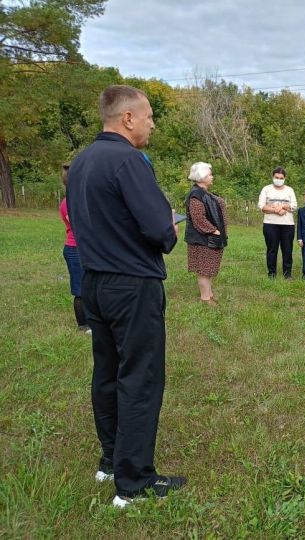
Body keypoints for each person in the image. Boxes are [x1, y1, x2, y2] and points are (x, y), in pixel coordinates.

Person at [66, 85, 185, 508]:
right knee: (139, 377)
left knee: (108, 372)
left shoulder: (81, 163)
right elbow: (159, 231)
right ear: (128, 118)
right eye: (149, 115)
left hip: (95, 281)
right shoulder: (128, 161)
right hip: (131, 285)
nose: (153, 122)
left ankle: (111, 460)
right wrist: (171, 226)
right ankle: (133, 482)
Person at [184, 162, 228, 305]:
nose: (212, 177)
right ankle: (205, 298)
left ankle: (209, 295)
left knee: (208, 269)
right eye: (209, 174)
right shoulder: (196, 195)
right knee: (203, 269)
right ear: (201, 177)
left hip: (210, 238)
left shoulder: (204, 192)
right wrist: (214, 231)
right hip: (202, 239)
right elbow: (198, 219)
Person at [59, 164, 91, 334]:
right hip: (74, 249)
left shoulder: (81, 198)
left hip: (86, 247)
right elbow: (79, 225)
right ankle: (83, 325)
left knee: (90, 286)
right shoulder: (67, 203)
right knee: (80, 289)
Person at [258, 167, 297, 279]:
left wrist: (283, 207)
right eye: (276, 177)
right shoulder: (266, 189)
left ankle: (287, 274)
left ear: (285, 178)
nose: (278, 179)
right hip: (270, 224)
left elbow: (293, 205)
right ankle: (272, 273)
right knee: (272, 249)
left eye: (281, 178)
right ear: (272, 177)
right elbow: (262, 206)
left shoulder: (289, 190)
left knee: (287, 250)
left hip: (288, 225)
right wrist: (276, 210)